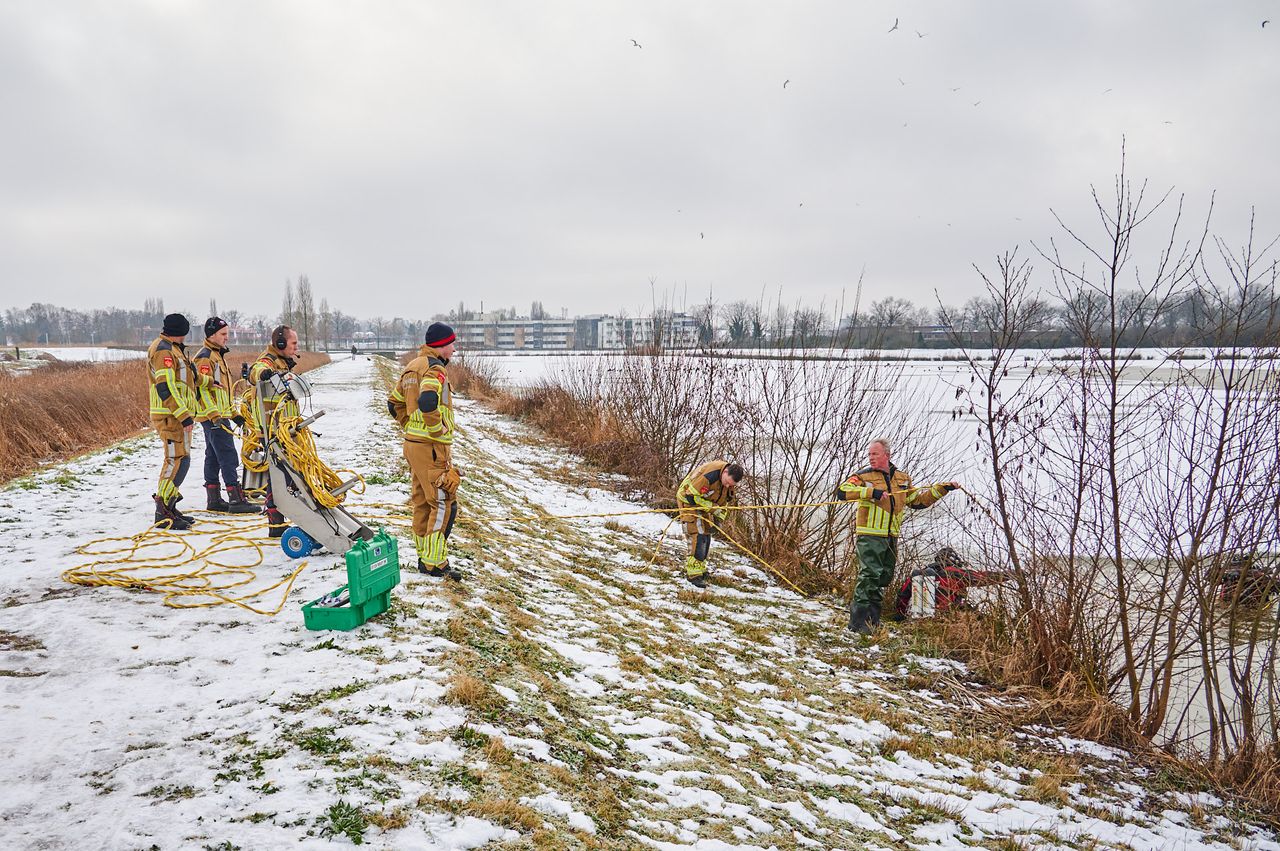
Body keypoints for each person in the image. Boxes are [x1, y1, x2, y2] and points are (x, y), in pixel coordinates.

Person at [836, 438, 959, 634]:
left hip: (891, 535)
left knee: (883, 578)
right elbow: (842, 492)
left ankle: (872, 622)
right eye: (869, 454)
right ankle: (857, 624)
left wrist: (942, 489)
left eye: (875, 454)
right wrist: (871, 492)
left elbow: (918, 501)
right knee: (869, 577)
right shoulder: (862, 476)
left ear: (887, 455)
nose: (871, 458)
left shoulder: (902, 479)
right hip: (869, 535)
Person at [389, 323, 462, 580]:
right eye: (452, 343)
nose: (454, 348)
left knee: (422, 501)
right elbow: (428, 400)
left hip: (413, 446)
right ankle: (435, 564)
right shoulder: (434, 368)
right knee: (443, 503)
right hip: (431, 448)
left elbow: (393, 402)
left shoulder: (413, 366)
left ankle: (424, 557)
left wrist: (408, 425)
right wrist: (436, 430)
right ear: (441, 345)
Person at [192, 317, 257, 514]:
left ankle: (214, 499)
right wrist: (214, 415)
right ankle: (236, 499)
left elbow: (222, 391)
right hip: (213, 417)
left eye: (227, 334)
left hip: (220, 415)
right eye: (223, 334)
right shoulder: (205, 357)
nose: (227, 338)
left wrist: (234, 413)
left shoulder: (217, 356)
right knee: (228, 454)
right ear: (211, 335)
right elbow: (202, 389)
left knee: (213, 455)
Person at [147, 313, 198, 529]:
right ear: (181, 332)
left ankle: (170, 504)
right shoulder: (163, 351)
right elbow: (165, 386)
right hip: (171, 417)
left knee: (181, 460)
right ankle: (163, 511)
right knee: (175, 461)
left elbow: (185, 380)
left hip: (177, 416)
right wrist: (183, 415)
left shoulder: (174, 348)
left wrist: (208, 381)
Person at [249, 325, 300, 537]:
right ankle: (276, 524)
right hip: (272, 429)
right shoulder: (269, 360)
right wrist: (265, 374)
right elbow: (255, 371)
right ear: (280, 344)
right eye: (293, 343)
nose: (296, 347)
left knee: (287, 474)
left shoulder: (282, 362)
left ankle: (285, 518)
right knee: (278, 476)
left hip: (284, 428)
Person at [675, 460, 745, 588]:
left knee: (706, 537)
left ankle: (701, 570)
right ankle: (693, 575)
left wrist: (718, 521)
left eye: (731, 485)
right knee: (697, 535)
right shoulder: (709, 476)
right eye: (727, 483)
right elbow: (691, 496)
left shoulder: (727, 483)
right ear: (725, 472)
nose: (728, 486)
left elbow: (724, 503)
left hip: (703, 502)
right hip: (688, 500)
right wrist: (713, 508)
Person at [892, 547, 1007, 620]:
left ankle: (922, 618)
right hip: (945, 617)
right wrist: (1009, 575)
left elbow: (903, 595)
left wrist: (901, 615)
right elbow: (983, 578)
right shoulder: (953, 572)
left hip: (916, 616)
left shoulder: (920, 573)